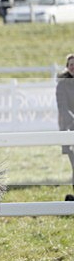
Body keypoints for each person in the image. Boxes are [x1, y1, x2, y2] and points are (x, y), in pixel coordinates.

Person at [55, 54, 74, 201]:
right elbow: (63, 108)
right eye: (70, 64)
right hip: (70, 130)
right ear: (67, 67)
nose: (73, 66)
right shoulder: (62, 84)